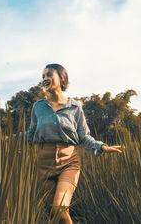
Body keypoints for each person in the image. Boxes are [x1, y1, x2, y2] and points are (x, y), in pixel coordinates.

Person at [26, 63, 122, 224]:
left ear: (61, 79)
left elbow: (83, 137)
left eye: (49, 74)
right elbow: (31, 133)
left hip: (69, 163)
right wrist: (8, 140)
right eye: (43, 76)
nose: (45, 78)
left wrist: (102, 147)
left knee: (59, 207)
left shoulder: (75, 107)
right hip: (43, 165)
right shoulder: (38, 107)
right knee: (51, 213)